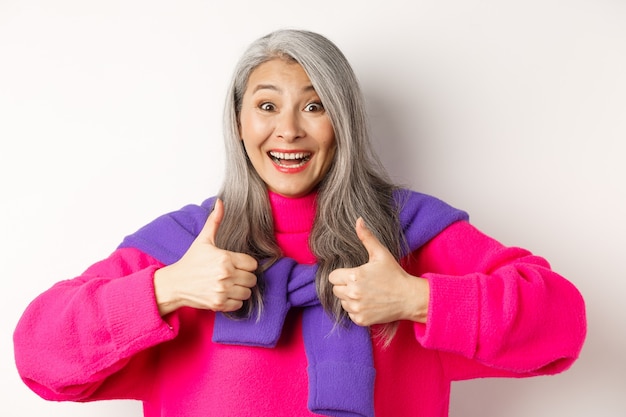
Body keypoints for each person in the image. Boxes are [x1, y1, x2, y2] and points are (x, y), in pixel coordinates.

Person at [13, 29, 586, 417]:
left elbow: (562, 321)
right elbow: (37, 356)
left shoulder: (408, 233)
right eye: (266, 106)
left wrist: (417, 299)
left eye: (315, 106)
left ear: (345, 122)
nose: (288, 130)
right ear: (239, 122)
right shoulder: (187, 246)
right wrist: (164, 290)